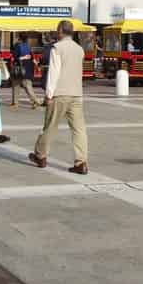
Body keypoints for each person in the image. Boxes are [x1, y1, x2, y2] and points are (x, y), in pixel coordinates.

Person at [29, 19, 88, 175]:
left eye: (57, 30)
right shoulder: (79, 49)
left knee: (50, 126)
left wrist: (49, 94)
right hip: (76, 93)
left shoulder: (57, 48)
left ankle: (40, 156)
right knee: (79, 129)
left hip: (60, 93)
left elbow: (54, 73)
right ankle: (81, 161)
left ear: (61, 31)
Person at [10, 33, 41, 108]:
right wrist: (36, 64)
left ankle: (15, 103)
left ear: (19, 38)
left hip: (19, 68)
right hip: (28, 68)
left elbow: (15, 57)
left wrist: (22, 57)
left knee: (16, 85)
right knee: (28, 86)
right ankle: (35, 101)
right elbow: (32, 57)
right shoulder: (28, 46)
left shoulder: (17, 46)